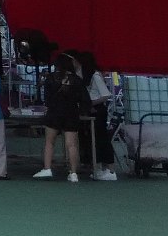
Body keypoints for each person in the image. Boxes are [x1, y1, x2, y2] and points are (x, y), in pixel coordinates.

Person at [34, 52, 87, 182]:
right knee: (72, 145)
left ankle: (47, 168)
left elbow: (47, 98)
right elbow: (85, 99)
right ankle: (73, 173)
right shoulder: (77, 80)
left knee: (49, 142)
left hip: (54, 112)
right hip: (71, 113)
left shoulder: (51, 78)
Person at [77, 52, 119, 181]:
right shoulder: (87, 75)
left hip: (98, 110)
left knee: (101, 139)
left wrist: (90, 103)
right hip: (93, 109)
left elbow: (106, 95)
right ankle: (100, 167)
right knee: (94, 139)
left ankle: (111, 170)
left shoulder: (95, 75)